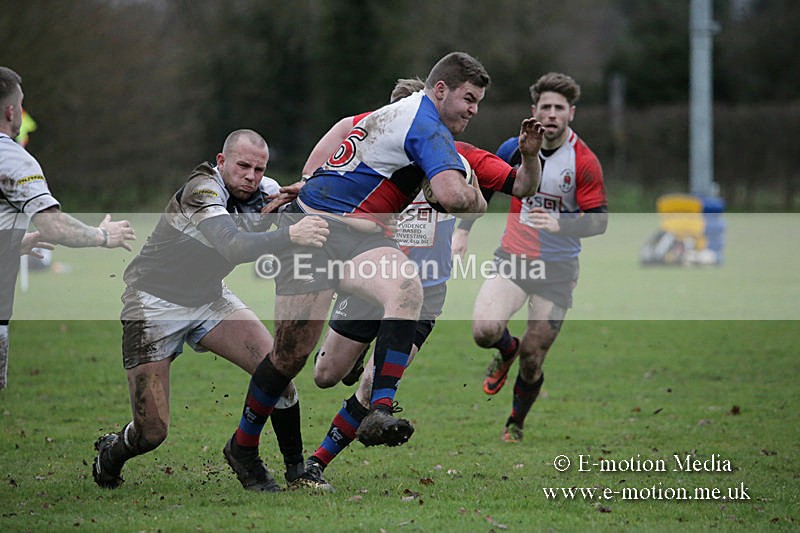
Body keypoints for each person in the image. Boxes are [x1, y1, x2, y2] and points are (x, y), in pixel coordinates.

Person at [220, 52, 491, 491]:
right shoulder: (394, 126)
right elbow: (446, 194)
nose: (473, 110)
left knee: (405, 288)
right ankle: (243, 446)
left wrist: (475, 204)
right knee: (293, 357)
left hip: (362, 243)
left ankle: (380, 407)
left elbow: (495, 185)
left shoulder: (422, 136)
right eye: (469, 98)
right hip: (313, 234)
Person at [300, 78, 543, 486]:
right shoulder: (371, 154)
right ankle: (359, 358)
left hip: (425, 289)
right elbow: (328, 179)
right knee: (324, 375)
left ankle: (315, 464)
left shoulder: (457, 157)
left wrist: (467, 223)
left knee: (372, 386)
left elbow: (512, 187)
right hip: (371, 277)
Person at [89, 129, 332, 492]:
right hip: (153, 304)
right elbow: (232, 246)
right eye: (243, 166)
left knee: (278, 372)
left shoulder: (266, 190)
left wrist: (305, 193)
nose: (251, 176)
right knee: (152, 432)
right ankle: (112, 453)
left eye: (259, 169)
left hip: (209, 299)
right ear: (221, 162)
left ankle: (295, 472)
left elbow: (310, 211)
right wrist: (290, 234)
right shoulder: (201, 189)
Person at [467, 72, 608, 442]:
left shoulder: (584, 161)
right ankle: (505, 348)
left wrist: (560, 224)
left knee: (533, 358)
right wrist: (462, 232)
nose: (551, 114)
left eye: (558, 108)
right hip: (513, 258)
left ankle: (515, 423)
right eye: (545, 106)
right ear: (534, 110)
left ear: (571, 113)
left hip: (558, 272)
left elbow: (600, 222)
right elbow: (481, 192)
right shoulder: (513, 149)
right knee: (484, 331)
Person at [0, 66, 136, 390]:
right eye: (20, 105)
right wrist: (103, 236)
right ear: (10, 110)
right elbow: (53, 225)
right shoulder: (13, 159)